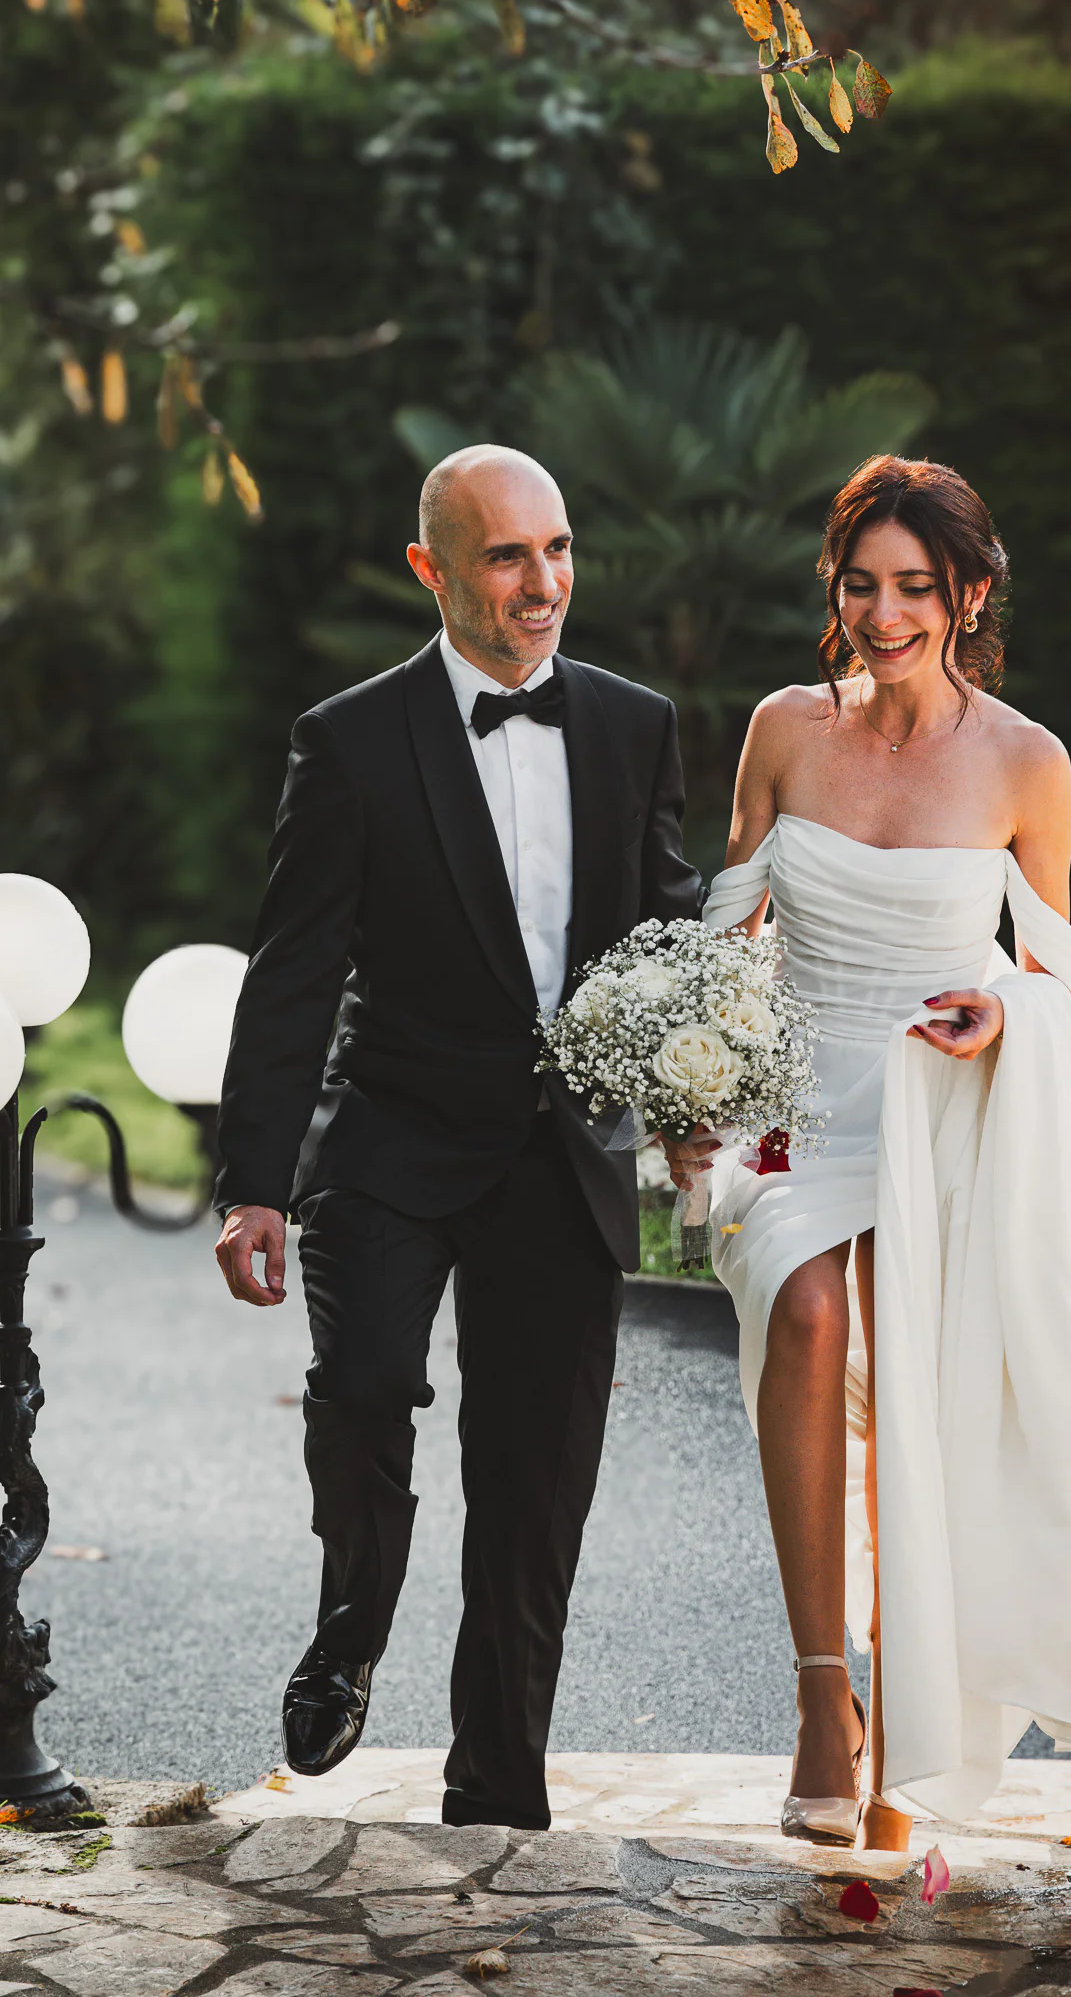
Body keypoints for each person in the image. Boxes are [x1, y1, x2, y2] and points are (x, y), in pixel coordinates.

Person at [212, 445, 704, 1831]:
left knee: (535, 1485)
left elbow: (660, 933)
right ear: (432, 569)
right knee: (363, 1388)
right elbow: (295, 968)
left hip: (561, 1162)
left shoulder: (632, 726)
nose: (543, 584)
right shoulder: (351, 740)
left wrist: (694, 1093)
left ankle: (499, 1784)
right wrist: (256, 1182)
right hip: (393, 1139)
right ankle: (351, 1620)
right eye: (505, 556)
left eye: (557, 550)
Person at [681, 455, 1071, 1852]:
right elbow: (729, 929)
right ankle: (822, 1699)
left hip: (940, 1115)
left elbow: (1056, 967)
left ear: (969, 594)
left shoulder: (1028, 762)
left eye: (915, 588)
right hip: (784, 1109)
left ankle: (913, 1724)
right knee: (812, 1310)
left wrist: (994, 1008)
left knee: (923, 1408)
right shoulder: (783, 728)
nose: (886, 613)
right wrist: (682, 1073)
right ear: (834, 588)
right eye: (861, 584)